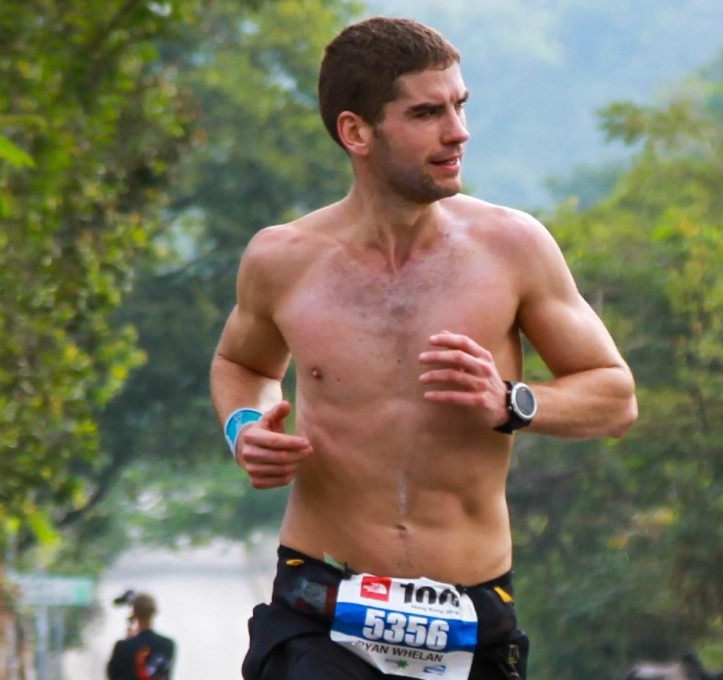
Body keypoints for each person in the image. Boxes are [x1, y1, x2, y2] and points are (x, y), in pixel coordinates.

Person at [209, 15, 637, 680]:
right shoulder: (282, 258)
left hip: (472, 611)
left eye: (460, 106)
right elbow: (242, 364)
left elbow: (615, 397)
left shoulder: (513, 247)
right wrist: (243, 428)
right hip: (322, 606)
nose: (458, 132)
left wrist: (511, 401)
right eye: (427, 113)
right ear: (357, 131)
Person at [106, 592, 175, 680]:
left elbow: (113, 675)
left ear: (134, 613)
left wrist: (128, 639)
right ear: (154, 612)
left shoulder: (123, 647)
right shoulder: (167, 645)